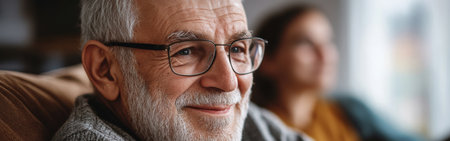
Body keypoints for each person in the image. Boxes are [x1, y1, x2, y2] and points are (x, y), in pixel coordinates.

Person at [52, 0, 309, 140]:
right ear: (105, 69)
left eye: (238, 49)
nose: (229, 82)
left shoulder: (242, 120)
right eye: (186, 51)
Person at [253, 5, 421, 141]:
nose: (324, 55)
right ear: (267, 60)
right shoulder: (252, 126)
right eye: (304, 42)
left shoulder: (350, 110)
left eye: (328, 42)